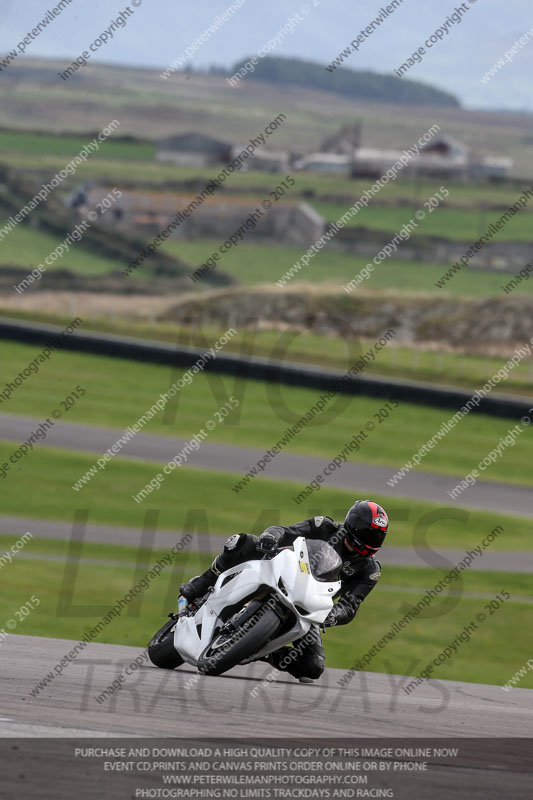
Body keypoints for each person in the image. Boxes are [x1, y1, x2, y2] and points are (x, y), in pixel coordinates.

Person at [180, 500, 389, 682]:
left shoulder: (370, 571)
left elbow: (350, 605)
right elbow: (286, 531)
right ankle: (200, 584)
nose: (370, 542)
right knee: (242, 542)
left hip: (306, 605)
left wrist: (333, 615)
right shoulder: (324, 526)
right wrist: (271, 537)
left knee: (313, 667)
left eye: (377, 537)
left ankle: (260, 651)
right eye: (367, 534)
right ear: (352, 526)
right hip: (280, 572)